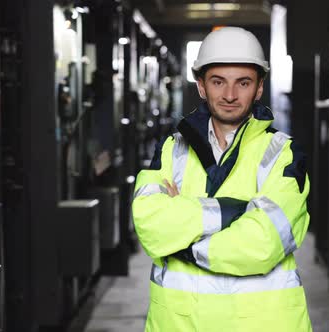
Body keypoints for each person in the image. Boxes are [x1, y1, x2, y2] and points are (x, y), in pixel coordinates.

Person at [132, 27, 312, 332]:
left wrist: (184, 244)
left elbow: (262, 242)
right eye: (218, 82)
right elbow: (150, 224)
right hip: (178, 324)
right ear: (201, 86)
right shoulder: (171, 150)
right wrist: (237, 212)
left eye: (243, 83)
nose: (230, 95)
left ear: (258, 89)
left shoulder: (282, 154)